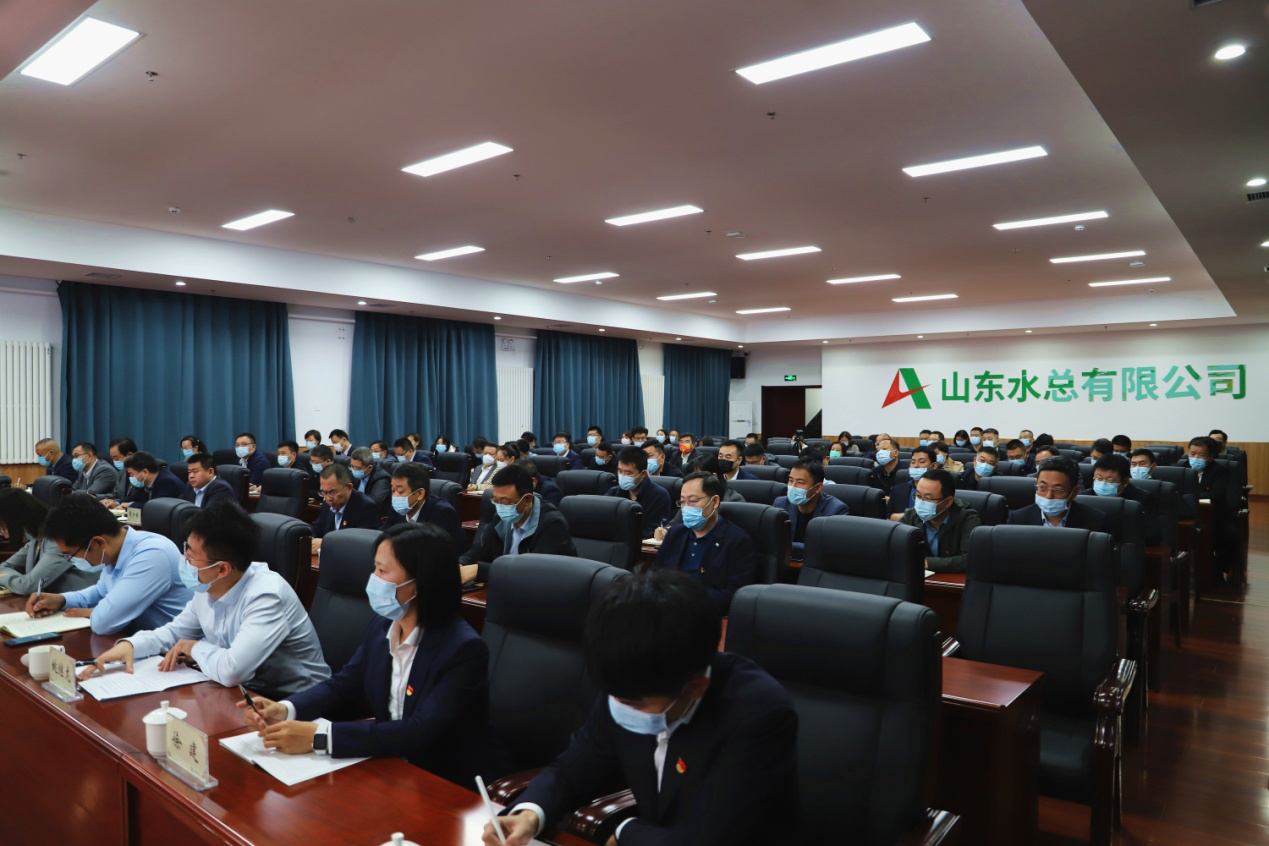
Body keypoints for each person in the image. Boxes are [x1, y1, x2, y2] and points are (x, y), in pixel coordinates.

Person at [489, 570, 796, 846]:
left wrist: (625, 830)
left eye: (632, 703)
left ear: (695, 687)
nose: (617, 707)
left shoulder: (759, 715)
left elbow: (706, 838)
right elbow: (572, 771)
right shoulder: (627, 680)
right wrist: (529, 814)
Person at [242, 523, 506, 784]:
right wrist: (287, 708)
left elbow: (422, 731)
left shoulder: (462, 649)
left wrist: (319, 737)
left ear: (419, 583)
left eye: (382, 571)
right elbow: (343, 686)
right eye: (374, 568)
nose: (373, 579)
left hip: (447, 781)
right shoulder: (383, 626)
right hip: (390, 765)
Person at [79, 501, 330, 697]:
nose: (184, 560)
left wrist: (194, 648)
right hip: (243, 692)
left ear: (222, 569)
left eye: (191, 556)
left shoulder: (266, 595)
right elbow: (174, 633)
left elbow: (232, 670)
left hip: (296, 701)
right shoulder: (207, 586)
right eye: (185, 549)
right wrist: (130, 646)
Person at [27, 494, 191, 635]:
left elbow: (103, 623)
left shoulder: (152, 555)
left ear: (98, 543)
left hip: (176, 652)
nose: (72, 560)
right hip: (141, 640)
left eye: (72, 554)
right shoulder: (116, 551)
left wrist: (95, 612)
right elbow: (100, 592)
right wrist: (61, 600)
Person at [651, 472, 755, 614]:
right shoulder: (675, 534)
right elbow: (655, 575)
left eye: (693, 500)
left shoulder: (737, 541)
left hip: (707, 615)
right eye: (682, 502)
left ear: (715, 501)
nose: (686, 507)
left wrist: (685, 599)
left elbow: (735, 594)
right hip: (666, 611)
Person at [459, 463, 577, 584]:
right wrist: (461, 564)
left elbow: (534, 573)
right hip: (507, 587)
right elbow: (477, 552)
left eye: (506, 502)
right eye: (496, 501)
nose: (500, 506)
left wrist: (479, 571)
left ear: (527, 499)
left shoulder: (553, 524)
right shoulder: (500, 518)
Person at [0, 488, 99, 596]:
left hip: (85, 603)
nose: (3, 534)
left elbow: (27, 586)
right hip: (56, 601)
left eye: (3, 527)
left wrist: (4, 577)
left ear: (17, 520)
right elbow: (4, 567)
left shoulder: (59, 540)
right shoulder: (37, 539)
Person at [898, 469, 982, 573]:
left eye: (928, 498)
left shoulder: (968, 519)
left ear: (948, 502)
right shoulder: (912, 515)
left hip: (953, 580)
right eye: (918, 496)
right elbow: (896, 546)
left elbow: (969, 559)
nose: (921, 503)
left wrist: (927, 563)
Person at [1178, 436, 1237, 577]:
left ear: (1210, 457)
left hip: (1215, 514)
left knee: (1231, 533)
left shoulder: (1220, 470)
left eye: (1201, 455)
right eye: (1192, 453)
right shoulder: (1180, 467)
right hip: (1185, 513)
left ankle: (1222, 566)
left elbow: (1214, 495)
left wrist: (1188, 497)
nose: (1195, 458)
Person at [385, 462, 469, 553]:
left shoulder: (443, 513)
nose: (395, 496)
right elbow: (384, 534)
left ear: (420, 493)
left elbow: (438, 552)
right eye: (393, 490)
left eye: (400, 491)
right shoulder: (396, 509)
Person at [1008, 456, 1108, 531]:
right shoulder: (1018, 519)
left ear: (1074, 492)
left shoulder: (1096, 522)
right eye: (1042, 487)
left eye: (1058, 490)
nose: (1048, 496)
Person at [775, 459, 848, 559]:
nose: (793, 486)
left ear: (818, 488)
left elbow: (827, 550)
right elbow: (772, 542)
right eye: (791, 480)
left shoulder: (836, 510)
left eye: (800, 482)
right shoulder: (780, 504)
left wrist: (787, 546)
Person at [1090, 454, 1162, 545]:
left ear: (1125, 482)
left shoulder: (1142, 499)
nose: (1103, 484)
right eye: (1099, 479)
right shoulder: (1084, 497)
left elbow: (1152, 534)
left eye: (1110, 481)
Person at [606, 447, 672, 539]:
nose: (622, 476)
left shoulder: (659, 496)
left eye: (628, 473)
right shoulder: (613, 492)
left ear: (643, 474)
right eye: (620, 471)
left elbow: (653, 531)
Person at [311, 464, 381, 546]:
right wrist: (310, 537)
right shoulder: (327, 503)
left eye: (332, 492)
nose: (328, 498)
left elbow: (360, 544)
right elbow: (317, 527)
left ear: (349, 487)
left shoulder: (365, 507)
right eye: (324, 492)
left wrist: (325, 544)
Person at [888, 446, 936, 520]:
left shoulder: (939, 490)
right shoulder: (897, 490)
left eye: (921, 462)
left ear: (934, 466)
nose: (916, 466)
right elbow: (888, 516)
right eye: (913, 462)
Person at [120, 452, 185, 505]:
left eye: (131, 474)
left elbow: (155, 507)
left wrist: (130, 505)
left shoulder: (167, 483)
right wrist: (118, 503)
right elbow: (136, 498)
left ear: (145, 472)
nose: (130, 477)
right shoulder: (145, 481)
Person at [349, 447, 391, 513]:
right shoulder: (353, 473)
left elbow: (373, 502)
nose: (354, 470)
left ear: (370, 468)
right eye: (352, 466)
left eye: (358, 468)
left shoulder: (382, 478)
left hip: (374, 514)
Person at [100, 437, 139, 506]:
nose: (114, 461)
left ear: (129, 455)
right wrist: (98, 498)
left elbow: (136, 498)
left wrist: (117, 502)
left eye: (116, 458)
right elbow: (116, 494)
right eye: (112, 458)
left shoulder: (141, 473)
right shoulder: (122, 472)